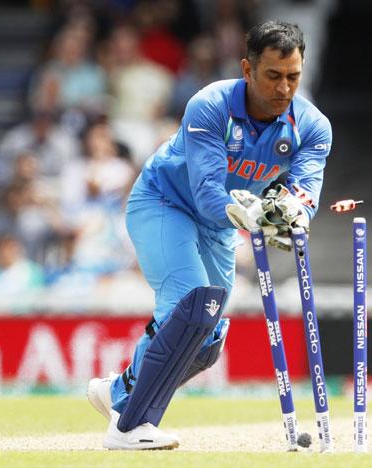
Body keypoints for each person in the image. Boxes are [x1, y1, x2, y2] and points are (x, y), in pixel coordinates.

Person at [86, 21, 332, 450]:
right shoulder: (210, 105)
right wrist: (253, 215)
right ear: (247, 69)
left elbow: (305, 192)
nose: (284, 89)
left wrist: (295, 211)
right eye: (273, 76)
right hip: (165, 203)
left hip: (220, 227)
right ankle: (129, 425)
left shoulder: (312, 126)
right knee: (192, 303)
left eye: (293, 76)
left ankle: (119, 392)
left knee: (208, 339)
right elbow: (205, 194)